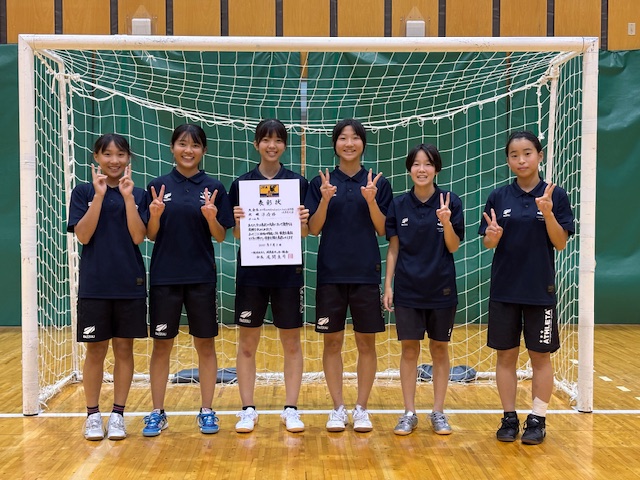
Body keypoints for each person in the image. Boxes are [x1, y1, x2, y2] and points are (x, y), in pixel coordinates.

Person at [479, 130, 574, 445]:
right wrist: (492, 236)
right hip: (505, 290)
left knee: (540, 357)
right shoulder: (498, 196)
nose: (521, 160)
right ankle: (509, 418)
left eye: (527, 153)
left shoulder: (555, 194)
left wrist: (547, 212)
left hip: (539, 290)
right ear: (508, 160)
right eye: (514, 155)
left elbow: (560, 243)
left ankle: (537, 419)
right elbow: (489, 242)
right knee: (505, 357)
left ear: (539, 156)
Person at [143, 124, 234, 437]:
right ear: (172, 148)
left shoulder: (213, 187)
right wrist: (155, 215)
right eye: (182, 144)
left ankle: (207, 410)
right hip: (165, 278)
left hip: (201, 278)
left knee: (205, 345)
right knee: (161, 346)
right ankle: (157, 412)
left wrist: (211, 217)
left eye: (195, 145)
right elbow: (150, 235)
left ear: (203, 151)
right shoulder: (157, 186)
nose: (188, 150)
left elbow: (220, 236)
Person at [305, 118, 392, 433]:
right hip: (331, 273)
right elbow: (313, 229)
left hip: (366, 273)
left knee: (366, 344)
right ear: (335, 144)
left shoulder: (377, 182)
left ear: (363, 144)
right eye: (343, 138)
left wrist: (371, 201)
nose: (349, 143)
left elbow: (383, 229)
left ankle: (361, 408)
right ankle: (338, 408)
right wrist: (325, 199)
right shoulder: (321, 182)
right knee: (332, 343)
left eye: (355, 137)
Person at [229, 119, 310, 434]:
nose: (271, 145)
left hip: (287, 273)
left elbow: (306, 232)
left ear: (284, 145)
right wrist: (239, 221)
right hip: (252, 274)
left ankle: (291, 408)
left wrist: (302, 220)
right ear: (256, 144)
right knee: (248, 344)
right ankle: (247, 409)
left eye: (277, 140)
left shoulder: (298, 183)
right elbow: (237, 234)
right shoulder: (242, 185)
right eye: (266, 139)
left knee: (291, 343)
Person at [67, 134, 148, 441]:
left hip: (129, 283)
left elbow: (138, 236)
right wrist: (99, 197)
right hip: (95, 284)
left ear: (128, 159)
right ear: (96, 158)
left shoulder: (138, 193)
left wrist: (127, 198)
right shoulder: (84, 191)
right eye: (108, 154)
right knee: (95, 350)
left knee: (124, 348)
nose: (114, 160)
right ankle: (92, 415)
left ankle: (118, 415)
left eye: (120, 154)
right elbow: (83, 236)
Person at [383, 143, 464, 436]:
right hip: (407, 289)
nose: (422, 169)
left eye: (428, 164)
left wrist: (446, 222)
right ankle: (409, 412)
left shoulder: (450, 201)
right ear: (409, 169)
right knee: (409, 350)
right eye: (416, 164)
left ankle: (438, 412)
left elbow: (453, 246)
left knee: (439, 349)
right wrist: (388, 285)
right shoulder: (398, 204)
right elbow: (394, 248)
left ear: (436, 169)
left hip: (441, 289)